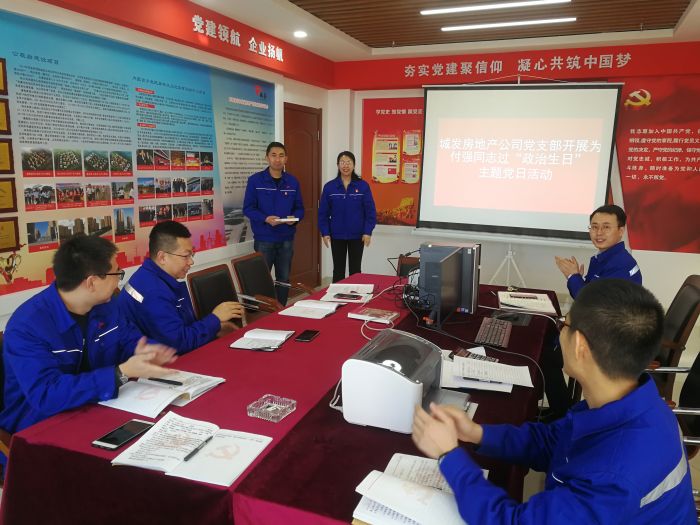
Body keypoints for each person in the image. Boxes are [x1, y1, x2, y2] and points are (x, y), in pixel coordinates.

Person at [412, 279, 695, 524]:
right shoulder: (630, 401)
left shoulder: (613, 475)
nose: (560, 331)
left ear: (579, 345)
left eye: (564, 325)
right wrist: (477, 433)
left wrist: (450, 457)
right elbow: (552, 442)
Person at [0, 235, 177, 435]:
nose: (119, 280)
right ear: (92, 282)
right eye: (116, 273)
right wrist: (120, 373)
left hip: (97, 406)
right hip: (38, 426)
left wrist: (146, 351)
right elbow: (46, 394)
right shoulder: (26, 326)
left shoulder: (107, 305)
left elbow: (128, 338)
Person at [118, 221, 244, 354]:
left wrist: (215, 328)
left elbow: (182, 329)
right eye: (185, 256)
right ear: (162, 257)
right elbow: (179, 344)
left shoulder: (153, 276)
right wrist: (215, 319)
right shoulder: (153, 292)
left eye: (192, 254)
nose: (191, 261)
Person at [243, 141, 304, 305]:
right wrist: (265, 218)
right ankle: (261, 313)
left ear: (286, 159)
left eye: (281, 156)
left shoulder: (293, 182)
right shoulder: (255, 181)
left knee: (283, 278)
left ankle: (280, 309)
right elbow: (248, 208)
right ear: (267, 158)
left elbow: (300, 208)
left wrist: (294, 219)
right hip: (264, 239)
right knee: (261, 279)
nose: (277, 159)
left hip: (286, 239)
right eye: (274, 155)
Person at [555, 204, 642, 299]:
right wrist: (577, 278)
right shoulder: (604, 257)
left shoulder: (621, 264)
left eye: (606, 227)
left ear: (621, 231)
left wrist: (573, 277)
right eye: (594, 227)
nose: (599, 233)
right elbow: (590, 293)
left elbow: (589, 301)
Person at [318, 151, 377, 283]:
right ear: (338, 165)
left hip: (358, 236)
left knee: (355, 270)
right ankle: (337, 296)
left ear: (354, 165)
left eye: (349, 162)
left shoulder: (362, 186)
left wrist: (367, 232)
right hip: (337, 235)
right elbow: (323, 213)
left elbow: (370, 212)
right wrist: (325, 232)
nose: (345, 165)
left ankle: (355, 295)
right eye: (342, 162)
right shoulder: (330, 187)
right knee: (338, 270)